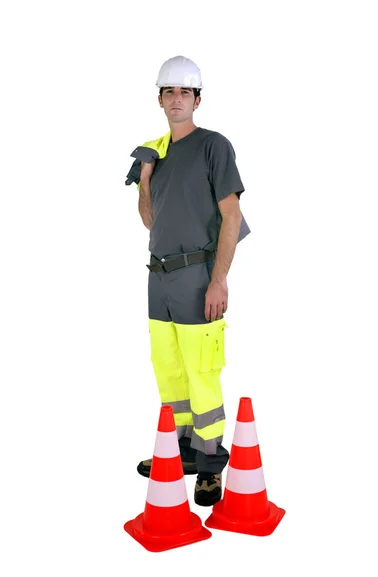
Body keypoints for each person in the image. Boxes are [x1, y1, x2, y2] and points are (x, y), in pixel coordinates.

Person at [125, 55, 250, 506]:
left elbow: (231, 216)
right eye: (169, 92)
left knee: (202, 372)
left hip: (197, 275)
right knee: (170, 370)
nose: (176, 99)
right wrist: (144, 177)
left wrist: (219, 281)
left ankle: (210, 464)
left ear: (197, 99)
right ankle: (182, 450)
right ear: (159, 99)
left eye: (185, 92)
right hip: (158, 278)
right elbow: (149, 221)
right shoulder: (156, 151)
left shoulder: (214, 146)